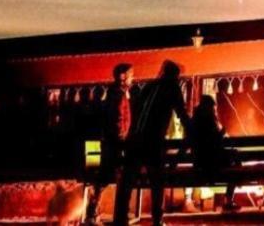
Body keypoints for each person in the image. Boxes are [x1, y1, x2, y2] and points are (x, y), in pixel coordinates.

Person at [118, 61, 191, 226]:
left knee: (128, 180)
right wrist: (192, 131)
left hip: (135, 139)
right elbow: (182, 114)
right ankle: (157, 220)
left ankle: (121, 218)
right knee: (157, 181)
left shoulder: (150, 86)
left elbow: (136, 109)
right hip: (152, 141)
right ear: (175, 75)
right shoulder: (172, 88)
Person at [84, 63, 134, 226]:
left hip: (110, 144)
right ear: (123, 77)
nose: (133, 78)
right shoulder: (119, 95)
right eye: (131, 75)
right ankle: (117, 215)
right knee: (116, 178)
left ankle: (93, 211)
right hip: (116, 145)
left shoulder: (114, 93)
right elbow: (120, 119)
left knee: (103, 179)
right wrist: (122, 139)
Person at [187, 95, 239, 212]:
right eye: (214, 109)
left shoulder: (194, 121)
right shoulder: (209, 121)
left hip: (199, 163)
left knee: (234, 159)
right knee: (236, 164)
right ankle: (228, 200)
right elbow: (213, 143)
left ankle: (229, 199)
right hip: (212, 163)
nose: (215, 111)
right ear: (210, 108)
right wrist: (222, 133)